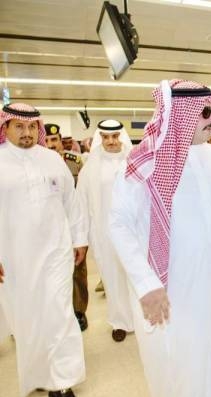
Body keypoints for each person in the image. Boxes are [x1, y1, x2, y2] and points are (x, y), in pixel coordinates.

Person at [109, 80, 211, 397]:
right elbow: (119, 225)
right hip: (173, 292)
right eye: (204, 112)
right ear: (178, 114)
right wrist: (146, 284)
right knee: (180, 367)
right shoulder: (143, 166)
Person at [0, 103, 86, 397]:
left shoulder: (52, 160)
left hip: (56, 252)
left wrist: (79, 239)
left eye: (31, 127)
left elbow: (71, 203)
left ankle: (62, 379)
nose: (27, 132)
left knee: (59, 314)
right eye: (19, 126)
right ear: (5, 128)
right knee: (26, 319)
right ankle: (38, 373)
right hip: (14, 257)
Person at [77, 119, 134, 342]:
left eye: (115, 136)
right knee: (112, 277)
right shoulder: (90, 168)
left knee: (135, 274)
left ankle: (140, 318)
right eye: (106, 137)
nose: (111, 141)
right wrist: (81, 238)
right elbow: (81, 204)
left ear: (123, 136)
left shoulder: (134, 161)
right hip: (104, 233)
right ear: (100, 138)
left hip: (133, 231)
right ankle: (120, 321)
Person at [44, 123, 89, 331]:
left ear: (60, 140)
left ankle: (79, 311)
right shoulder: (38, 164)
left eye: (55, 140)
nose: (51, 144)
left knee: (78, 271)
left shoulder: (75, 162)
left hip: (72, 224)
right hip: (48, 229)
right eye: (47, 140)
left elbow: (80, 195)